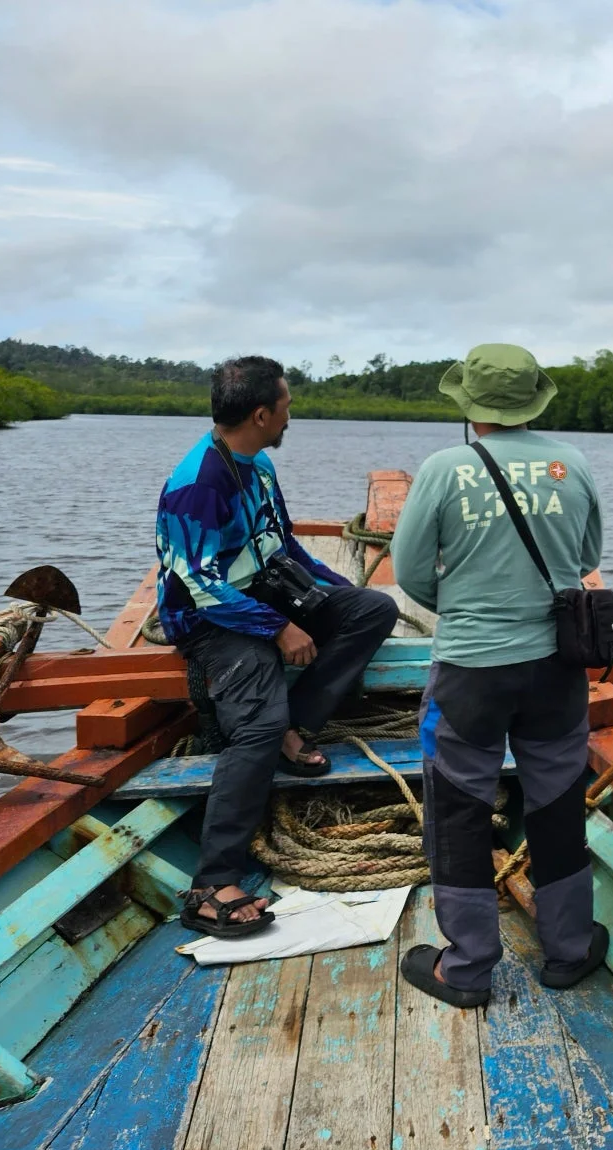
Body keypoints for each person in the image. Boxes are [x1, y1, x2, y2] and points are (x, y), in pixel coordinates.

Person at [389, 342, 607, 1007]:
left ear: (469, 408)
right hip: (555, 670)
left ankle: (468, 967)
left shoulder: (442, 468)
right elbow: (588, 555)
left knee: (458, 811)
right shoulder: (572, 463)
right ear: (533, 401)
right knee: (558, 801)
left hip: (470, 672)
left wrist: (467, 608)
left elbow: (409, 573)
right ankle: (569, 949)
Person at [156, 355, 399, 937]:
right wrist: (276, 628)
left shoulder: (258, 463)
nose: (291, 415)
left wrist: (334, 593)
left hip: (264, 595)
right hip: (212, 619)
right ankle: (212, 883)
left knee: (374, 610)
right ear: (262, 414)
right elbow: (196, 582)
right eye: (286, 406)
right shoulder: (197, 485)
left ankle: (297, 726)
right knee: (256, 727)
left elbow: (282, 544)